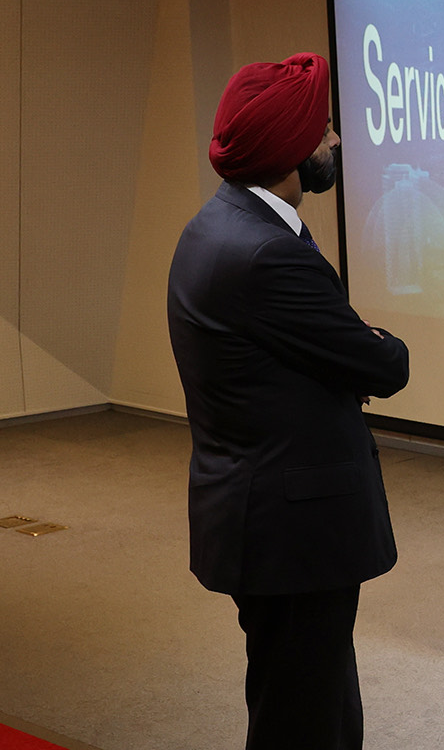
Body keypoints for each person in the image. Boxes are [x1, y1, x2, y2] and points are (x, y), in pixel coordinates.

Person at [166, 53, 410, 750]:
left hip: (265, 516)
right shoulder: (267, 254)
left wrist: (345, 345)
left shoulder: (219, 224)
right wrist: (367, 342)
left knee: (311, 702)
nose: (335, 139)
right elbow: (386, 365)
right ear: (289, 147)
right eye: (323, 128)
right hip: (292, 527)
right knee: (303, 718)